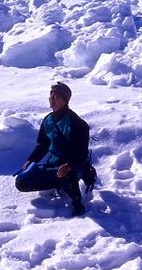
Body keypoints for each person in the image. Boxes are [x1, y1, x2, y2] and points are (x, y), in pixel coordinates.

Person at [15, 82, 91, 217]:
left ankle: (77, 200)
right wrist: (31, 160)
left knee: (65, 175)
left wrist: (69, 165)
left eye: (56, 96)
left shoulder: (77, 123)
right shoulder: (48, 120)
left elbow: (81, 151)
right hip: (54, 166)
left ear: (65, 100)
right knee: (21, 182)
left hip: (74, 166)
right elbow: (42, 145)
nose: (52, 98)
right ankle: (60, 184)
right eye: (51, 95)